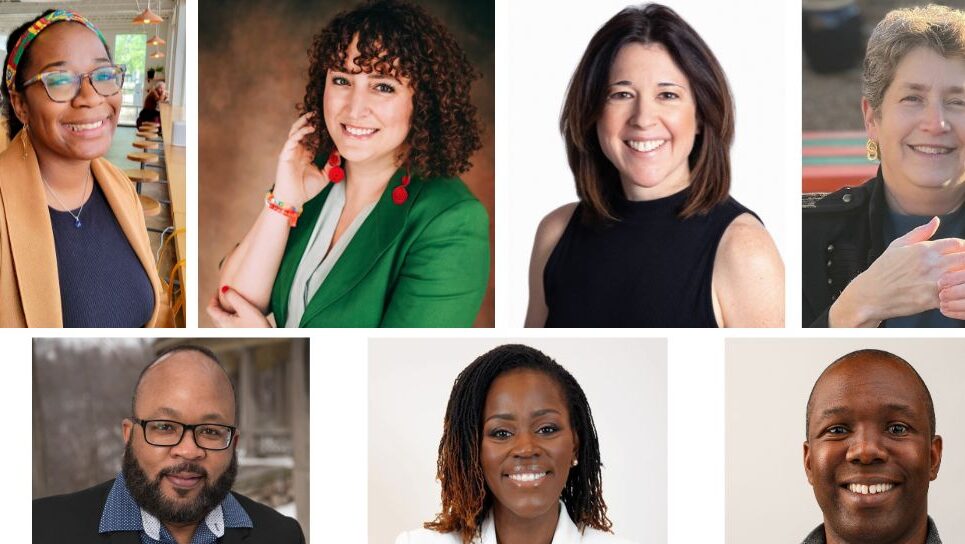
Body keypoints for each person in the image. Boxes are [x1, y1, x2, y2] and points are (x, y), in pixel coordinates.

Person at [371, 344, 665, 544]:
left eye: (547, 429)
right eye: (501, 433)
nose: (526, 447)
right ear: (474, 448)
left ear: (575, 443)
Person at [208, 0, 490, 328]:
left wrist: (272, 341)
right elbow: (232, 301)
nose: (355, 109)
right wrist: (283, 201)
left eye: (383, 87)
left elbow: (399, 359)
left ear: (424, 102)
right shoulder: (313, 172)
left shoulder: (452, 221)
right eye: (342, 80)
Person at [33, 345, 309, 544]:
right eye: (165, 427)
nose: (188, 450)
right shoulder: (37, 538)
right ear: (129, 435)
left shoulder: (280, 542)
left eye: (211, 431)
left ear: (233, 444)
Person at [526, 3, 783, 328]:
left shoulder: (744, 249)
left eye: (668, 95)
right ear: (592, 112)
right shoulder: (555, 233)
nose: (643, 119)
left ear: (701, 115)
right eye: (621, 94)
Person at [726, 349, 965, 544]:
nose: (865, 451)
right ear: (809, 462)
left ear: (933, 457)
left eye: (897, 428)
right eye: (837, 430)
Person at [803, 5, 965, 328]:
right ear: (871, 118)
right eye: (912, 98)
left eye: (958, 101)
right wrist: (855, 307)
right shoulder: (802, 233)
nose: (936, 123)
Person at [0, 9, 162, 327]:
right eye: (60, 80)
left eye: (103, 76)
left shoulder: (119, 186)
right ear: (21, 105)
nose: (90, 97)